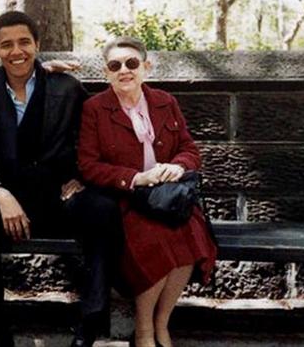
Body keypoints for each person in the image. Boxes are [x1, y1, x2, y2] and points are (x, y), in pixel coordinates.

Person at [0, 11, 123, 347]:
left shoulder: (66, 88)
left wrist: (82, 178)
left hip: (62, 198)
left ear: (37, 44)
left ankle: (90, 322)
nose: (16, 51)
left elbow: (97, 139)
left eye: (24, 42)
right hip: (13, 205)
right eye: (6, 45)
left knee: (103, 209)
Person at [77, 37, 217, 347]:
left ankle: (161, 323)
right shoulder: (94, 109)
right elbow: (88, 166)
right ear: (106, 73)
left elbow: (189, 149)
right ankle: (143, 331)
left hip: (169, 198)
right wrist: (136, 178)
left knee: (190, 234)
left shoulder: (166, 102)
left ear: (146, 67)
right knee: (155, 240)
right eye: (115, 65)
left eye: (131, 63)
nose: (124, 70)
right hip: (127, 200)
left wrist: (178, 166)